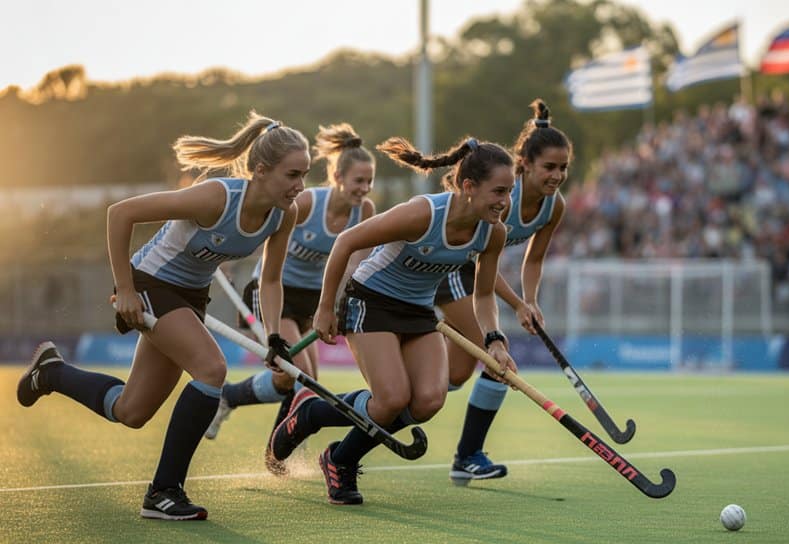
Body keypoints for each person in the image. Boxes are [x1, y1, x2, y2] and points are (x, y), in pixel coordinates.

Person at [16, 111, 309, 520]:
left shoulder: (283, 214)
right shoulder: (216, 198)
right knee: (211, 369)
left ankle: (51, 372)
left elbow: (272, 280)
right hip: (151, 282)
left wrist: (274, 337)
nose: (300, 186)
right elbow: (120, 213)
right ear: (261, 170)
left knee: (130, 411)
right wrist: (127, 289)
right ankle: (164, 491)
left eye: (305, 175)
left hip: (190, 295)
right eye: (293, 174)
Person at [267, 135, 518, 505]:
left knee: (429, 401)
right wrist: (325, 308)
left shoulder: (492, 232)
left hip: (417, 310)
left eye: (509, 191)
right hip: (371, 301)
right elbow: (346, 242)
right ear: (468, 186)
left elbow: (482, 296)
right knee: (390, 399)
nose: (505, 201)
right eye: (499, 191)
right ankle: (311, 418)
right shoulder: (423, 214)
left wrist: (494, 339)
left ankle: (338, 456)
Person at [204, 122, 377, 445]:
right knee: (301, 374)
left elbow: (355, 264)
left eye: (369, 181)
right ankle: (278, 448)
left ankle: (230, 396)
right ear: (337, 178)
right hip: (274, 291)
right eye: (358, 180)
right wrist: (227, 259)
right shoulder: (309, 202)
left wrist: (339, 303)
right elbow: (267, 236)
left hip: (312, 298)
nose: (364, 188)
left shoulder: (365, 210)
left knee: (297, 380)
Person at [436, 99, 571, 484]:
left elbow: (533, 260)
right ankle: (467, 457)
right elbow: (482, 262)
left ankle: (380, 399)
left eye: (563, 167)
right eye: (549, 167)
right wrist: (514, 304)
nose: (557, 175)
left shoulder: (553, 206)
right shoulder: (501, 199)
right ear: (524, 163)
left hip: (474, 274)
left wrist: (530, 300)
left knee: (454, 376)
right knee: (499, 362)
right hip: (453, 270)